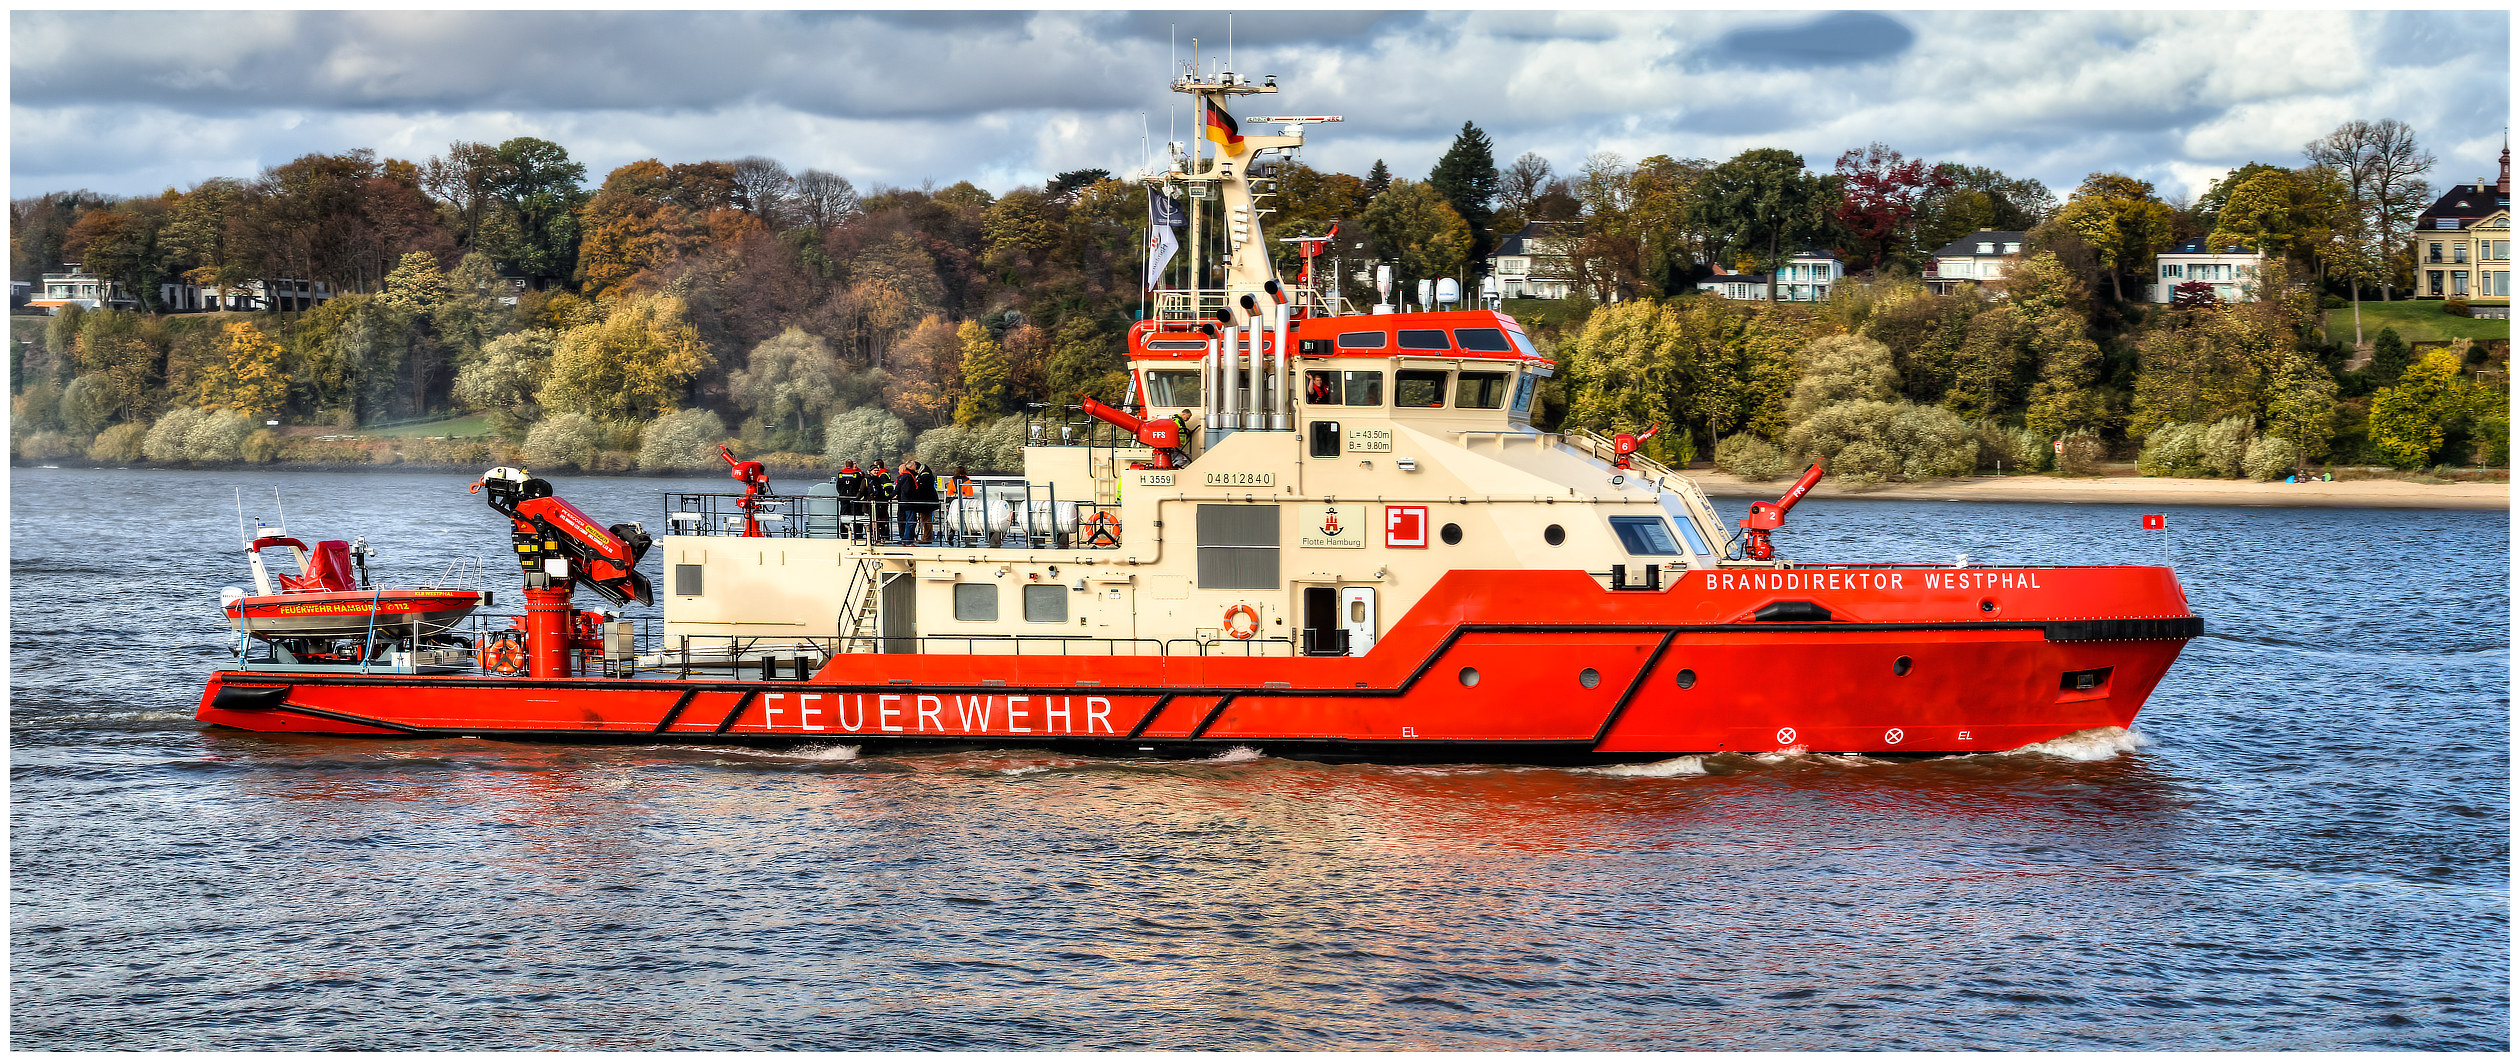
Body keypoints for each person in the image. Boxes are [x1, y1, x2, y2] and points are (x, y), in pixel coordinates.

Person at [834, 459, 865, 541]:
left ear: (845, 465)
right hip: (854, 498)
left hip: (844, 499)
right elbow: (860, 486)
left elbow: (838, 486)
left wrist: (842, 493)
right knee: (857, 517)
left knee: (844, 517)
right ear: (852, 466)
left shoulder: (840, 474)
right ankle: (858, 535)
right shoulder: (857, 475)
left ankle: (844, 535)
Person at [893, 460, 922, 545]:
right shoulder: (908, 476)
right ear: (910, 467)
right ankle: (907, 540)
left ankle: (906, 539)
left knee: (910, 521)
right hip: (909, 502)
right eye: (914, 465)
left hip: (905, 502)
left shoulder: (904, 476)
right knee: (911, 521)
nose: (916, 466)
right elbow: (907, 490)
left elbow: (898, 489)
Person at [865, 460, 893, 543]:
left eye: (875, 467)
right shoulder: (885, 474)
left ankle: (883, 536)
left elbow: (886, 488)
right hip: (882, 500)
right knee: (881, 519)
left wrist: (883, 496)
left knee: (881, 519)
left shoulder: (882, 475)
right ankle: (882, 536)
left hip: (881, 501)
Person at [913, 460, 941, 543]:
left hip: (926, 502)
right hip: (928, 501)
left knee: (926, 520)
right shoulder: (926, 473)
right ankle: (926, 537)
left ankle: (927, 538)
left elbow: (923, 489)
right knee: (926, 520)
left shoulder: (925, 476)